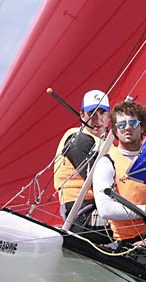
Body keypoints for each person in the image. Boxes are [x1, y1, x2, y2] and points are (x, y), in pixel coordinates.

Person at [93, 100, 146, 249]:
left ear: (142, 127)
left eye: (133, 123)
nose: (127, 128)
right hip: (134, 241)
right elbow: (105, 209)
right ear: (115, 131)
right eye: (121, 125)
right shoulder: (107, 163)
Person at [53, 89, 111, 220]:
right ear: (82, 115)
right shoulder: (78, 138)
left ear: (109, 116)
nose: (98, 119)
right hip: (81, 212)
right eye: (92, 113)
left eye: (102, 113)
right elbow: (99, 182)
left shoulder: (109, 144)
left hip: (101, 207)